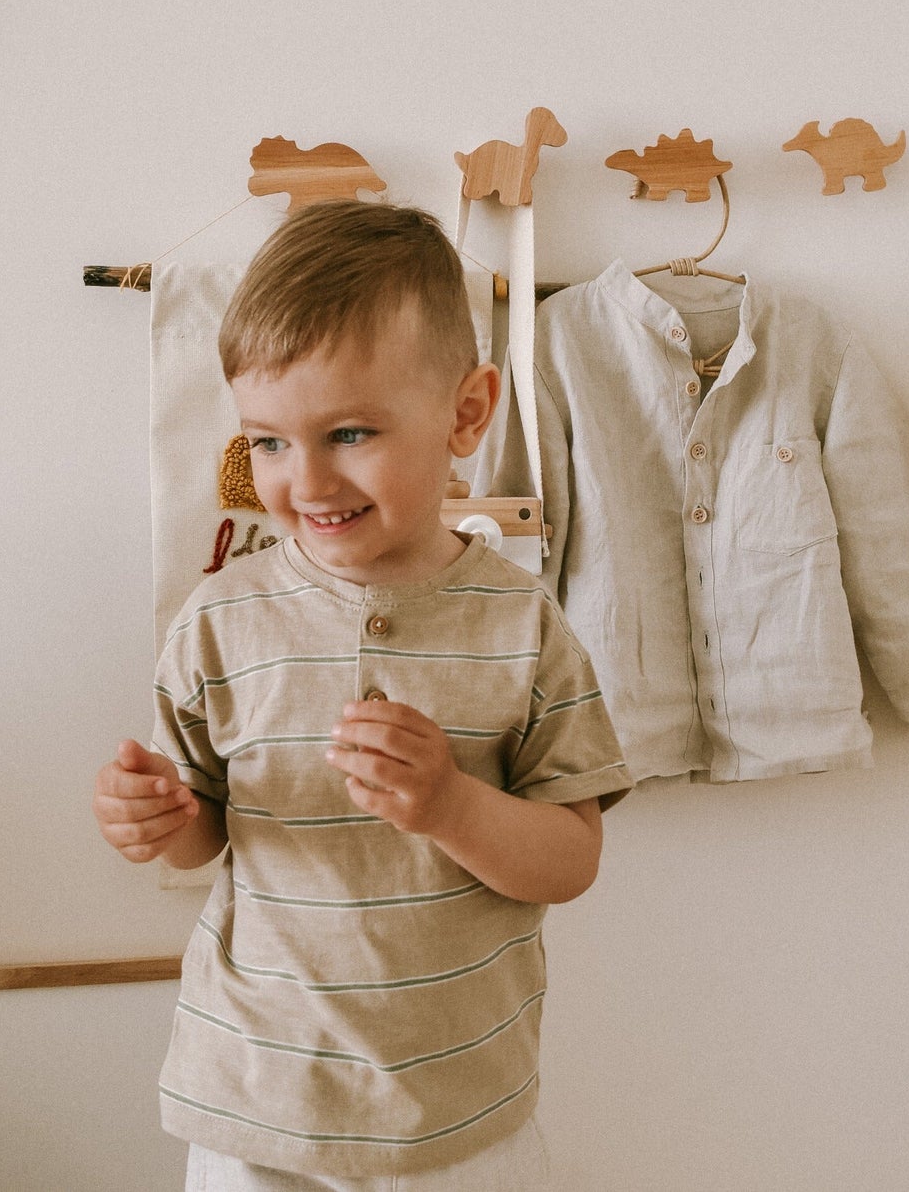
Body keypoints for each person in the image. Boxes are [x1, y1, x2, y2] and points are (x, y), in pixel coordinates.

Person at [93, 201, 632, 1189]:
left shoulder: (521, 625)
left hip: (458, 1114)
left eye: (348, 430)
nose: (304, 479)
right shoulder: (219, 619)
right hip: (254, 1104)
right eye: (266, 441)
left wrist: (451, 805)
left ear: (465, 412)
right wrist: (157, 818)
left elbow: (570, 856)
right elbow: (204, 834)